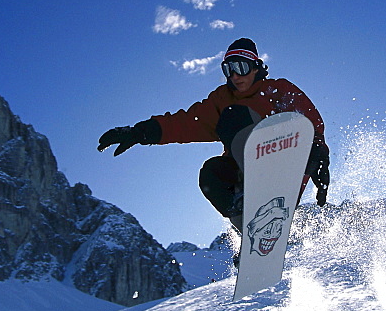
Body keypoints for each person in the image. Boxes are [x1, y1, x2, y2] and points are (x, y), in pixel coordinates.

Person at [97, 38, 330, 236]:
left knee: (235, 115)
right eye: (228, 70)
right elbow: (188, 122)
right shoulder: (222, 98)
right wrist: (140, 132)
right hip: (246, 173)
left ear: (256, 67)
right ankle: (251, 227)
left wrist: (319, 156)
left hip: (283, 164)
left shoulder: (278, 90)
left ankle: (265, 191)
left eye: (240, 67)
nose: (235, 76)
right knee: (211, 173)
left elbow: (309, 122)